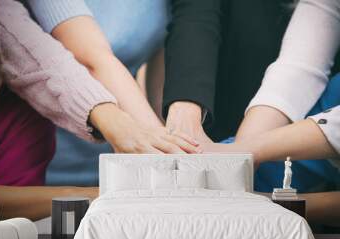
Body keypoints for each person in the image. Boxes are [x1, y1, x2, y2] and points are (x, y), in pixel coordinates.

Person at [0, 0, 197, 219]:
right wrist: (122, 129)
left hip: (101, 171)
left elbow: (21, 41)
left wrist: (164, 151)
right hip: (41, 168)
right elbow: (81, 58)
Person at [24, 0, 196, 186]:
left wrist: (173, 138)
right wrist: (166, 158)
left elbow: (162, 83)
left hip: (117, 166)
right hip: (41, 168)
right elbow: (93, 60)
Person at [204, 0, 340, 227]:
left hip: (324, 131)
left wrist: (266, 207)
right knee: (201, 189)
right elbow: (299, 66)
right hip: (322, 122)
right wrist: (240, 158)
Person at [162, 0, 294, 148]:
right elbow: (197, 13)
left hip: (299, 117)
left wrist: (245, 149)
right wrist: (186, 107)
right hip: (223, 102)